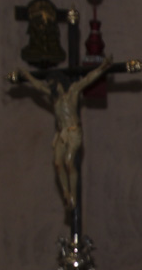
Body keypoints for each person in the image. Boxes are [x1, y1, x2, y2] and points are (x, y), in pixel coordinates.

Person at [12, 55, 112, 211]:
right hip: (61, 133)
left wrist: (102, 67)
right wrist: (27, 75)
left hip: (73, 132)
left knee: (69, 162)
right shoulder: (55, 98)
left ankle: (73, 196)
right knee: (58, 164)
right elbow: (38, 86)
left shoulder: (72, 92)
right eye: (51, 86)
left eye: (54, 85)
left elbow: (88, 79)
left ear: (60, 83)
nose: (52, 89)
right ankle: (65, 193)